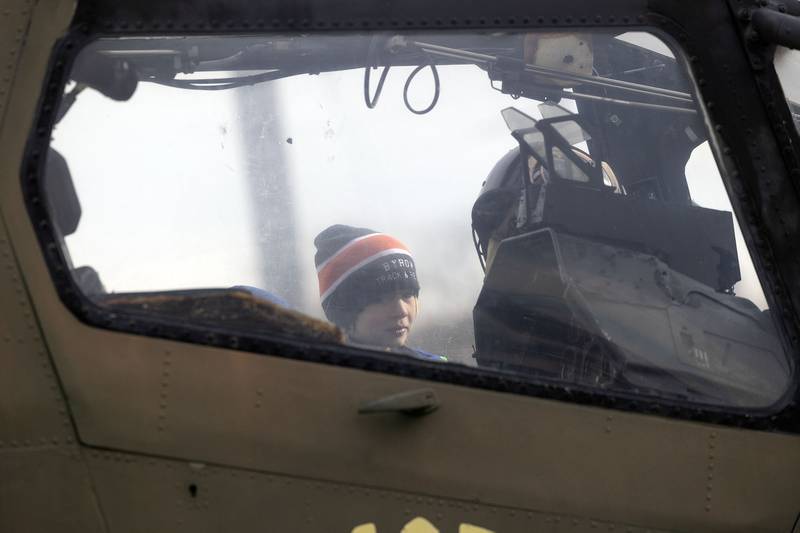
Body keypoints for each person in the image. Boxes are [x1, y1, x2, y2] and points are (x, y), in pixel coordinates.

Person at [313, 224, 446, 362]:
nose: (401, 311)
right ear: (344, 309)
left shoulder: (435, 369)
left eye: (407, 295)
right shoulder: (320, 374)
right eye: (381, 299)